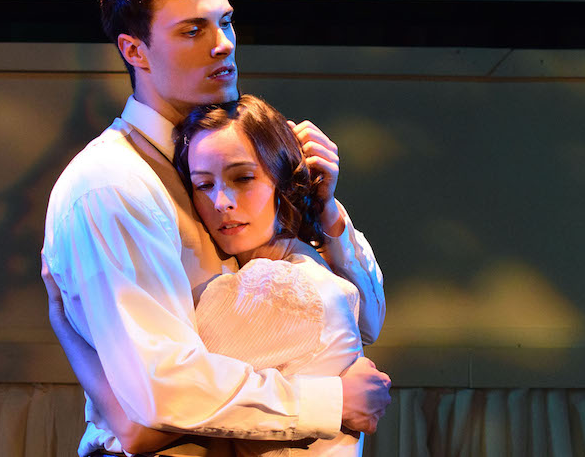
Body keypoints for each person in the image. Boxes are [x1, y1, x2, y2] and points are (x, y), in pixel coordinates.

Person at [41, 0, 390, 457]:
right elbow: (159, 394)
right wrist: (330, 399)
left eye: (224, 23)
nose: (223, 44)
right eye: (192, 30)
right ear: (135, 51)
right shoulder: (113, 184)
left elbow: (364, 319)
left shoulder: (228, 152)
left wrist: (325, 213)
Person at [46, 94, 382, 455]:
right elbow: (370, 320)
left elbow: (141, 425)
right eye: (204, 184)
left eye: (243, 178)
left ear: (284, 181)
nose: (221, 201)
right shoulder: (313, 272)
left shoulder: (274, 288)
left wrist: (66, 327)